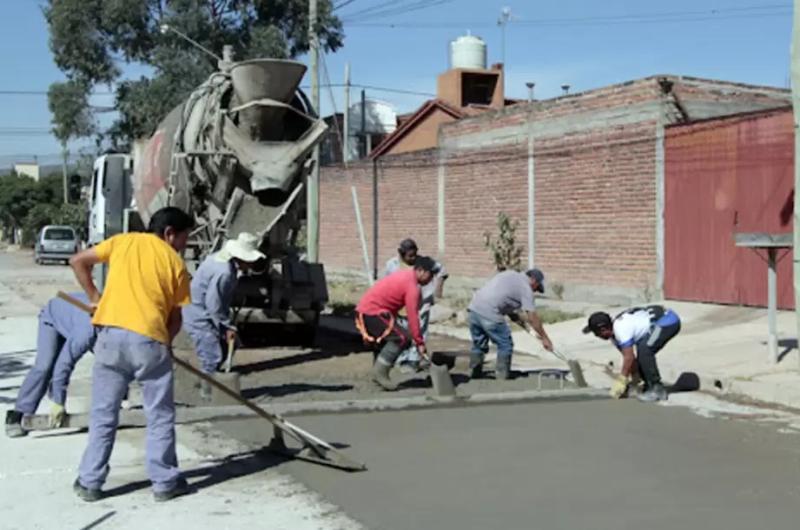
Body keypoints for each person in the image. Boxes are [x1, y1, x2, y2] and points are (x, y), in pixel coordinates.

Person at [68, 206, 194, 503]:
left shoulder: (122, 241)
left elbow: (77, 261)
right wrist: (165, 345)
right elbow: (175, 319)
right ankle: (164, 482)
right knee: (159, 414)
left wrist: (95, 298)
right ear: (169, 234)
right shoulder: (175, 263)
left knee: (103, 413)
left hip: (110, 337)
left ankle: (90, 482)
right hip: (149, 340)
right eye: (184, 238)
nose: (185, 245)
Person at [5, 292, 97, 438]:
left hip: (73, 312)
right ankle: (19, 413)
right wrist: (58, 402)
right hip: (53, 316)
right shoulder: (85, 334)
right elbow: (64, 364)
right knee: (45, 366)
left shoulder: (117, 329)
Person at [182, 232, 265, 374]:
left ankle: (214, 379)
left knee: (230, 344)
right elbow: (213, 304)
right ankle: (208, 391)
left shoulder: (218, 258)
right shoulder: (224, 272)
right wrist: (227, 326)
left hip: (202, 311)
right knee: (211, 356)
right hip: (199, 315)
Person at [355, 256, 436, 390]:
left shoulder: (405, 276)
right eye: (430, 275)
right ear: (421, 271)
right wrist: (420, 342)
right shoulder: (412, 286)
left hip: (366, 311)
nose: (430, 280)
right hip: (371, 312)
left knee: (389, 339)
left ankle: (377, 377)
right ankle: (380, 373)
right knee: (402, 338)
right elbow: (413, 316)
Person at [583, 305, 681, 402]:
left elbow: (628, 357)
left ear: (603, 329)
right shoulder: (615, 337)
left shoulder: (620, 329)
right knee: (642, 350)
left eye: (596, 333)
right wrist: (635, 380)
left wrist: (621, 381)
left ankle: (657, 389)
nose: (596, 336)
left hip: (667, 321)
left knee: (645, 349)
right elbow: (631, 359)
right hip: (653, 324)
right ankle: (648, 385)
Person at [467, 268, 553, 380]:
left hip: (474, 309)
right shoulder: (526, 288)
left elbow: (506, 305)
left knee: (479, 344)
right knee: (505, 345)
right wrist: (545, 338)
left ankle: (474, 375)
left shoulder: (510, 274)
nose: (535, 291)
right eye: (536, 287)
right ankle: (502, 377)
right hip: (490, 312)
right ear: (533, 280)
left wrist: (524, 325)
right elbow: (532, 317)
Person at [384, 238, 448, 372]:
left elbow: (442, 271)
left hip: (420, 303)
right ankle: (402, 359)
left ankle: (413, 360)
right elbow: (387, 283)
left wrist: (438, 289)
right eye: (409, 256)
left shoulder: (424, 262)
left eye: (414, 254)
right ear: (401, 254)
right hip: (400, 305)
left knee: (418, 331)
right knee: (402, 332)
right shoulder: (392, 265)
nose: (413, 258)